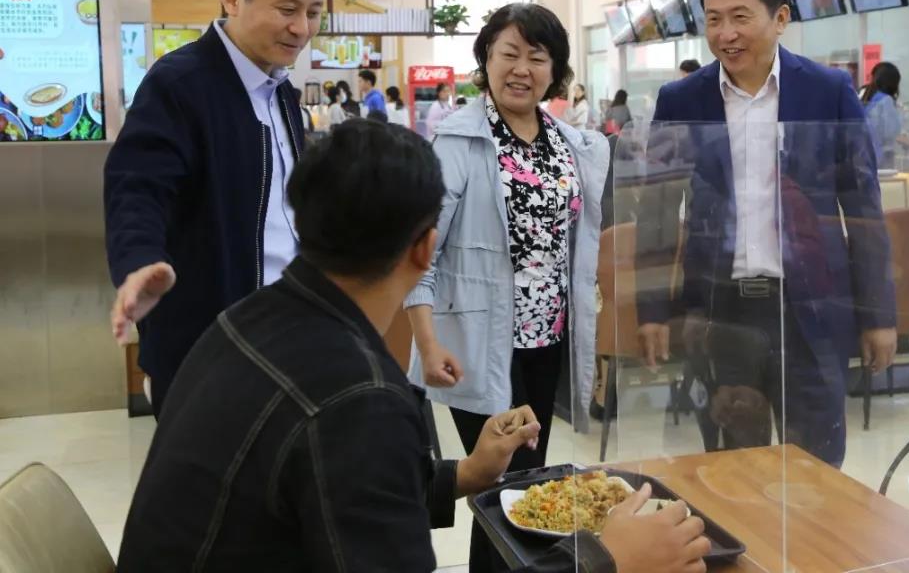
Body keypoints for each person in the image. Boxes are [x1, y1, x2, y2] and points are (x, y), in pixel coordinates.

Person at [115, 120, 708, 573]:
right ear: (426, 248)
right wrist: (607, 561)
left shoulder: (243, 320)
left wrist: (465, 474)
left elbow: (335, 487)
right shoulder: (359, 397)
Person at [634, 0, 896, 466]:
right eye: (713, 19)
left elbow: (863, 207)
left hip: (810, 310)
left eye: (740, 17)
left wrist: (879, 316)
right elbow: (657, 214)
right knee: (732, 470)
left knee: (817, 470)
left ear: (780, 18)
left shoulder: (827, 92)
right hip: (722, 312)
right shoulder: (681, 100)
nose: (725, 34)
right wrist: (653, 311)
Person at [405, 3, 610, 573]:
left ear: (555, 70)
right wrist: (427, 343)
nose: (521, 69)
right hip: (480, 341)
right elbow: (420, 256)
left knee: (521, 485)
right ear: (486, 61)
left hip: (547, 338)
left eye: (536, 57)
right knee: (504, 482)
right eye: (509, 54)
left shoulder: (570, 143)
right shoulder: (459, 141)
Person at [104, 0, 332, 418]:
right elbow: (138, 188)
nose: (302, 28)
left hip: (286, 340)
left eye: (314, 12)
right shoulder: (180, 85)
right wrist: (139, 260)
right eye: (287, 9)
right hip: (208, 350)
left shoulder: (282, 95)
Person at [860, 62, 903, 169]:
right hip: (882, 155)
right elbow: (890, 131)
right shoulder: (886, 100)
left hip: (866, 153)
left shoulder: (867, 98)